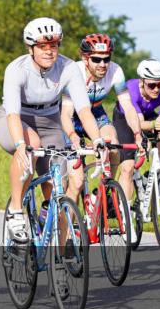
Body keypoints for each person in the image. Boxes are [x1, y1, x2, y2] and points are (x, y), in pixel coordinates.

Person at [0, 17, 105, 298]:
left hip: (50, 119)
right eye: (43, 45)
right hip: (14, 119)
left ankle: (58, 257)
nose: (49, 50)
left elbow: (84, 110)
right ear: (31, 47)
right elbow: (14, 115)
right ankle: (18, 213)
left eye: (53, 44)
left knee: (57, 189)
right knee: (30, 146)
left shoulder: (68, 68)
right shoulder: (16, 70)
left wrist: (99, 139)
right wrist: (20, 145)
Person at [61, 34, 144, 228]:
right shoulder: (74, 72)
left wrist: (138, 135)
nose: (103, 64)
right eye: (97, 59)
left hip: (96, 112)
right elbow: (65, 113)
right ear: (85, 58)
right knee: (76, 182)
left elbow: (128, 106)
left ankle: (101, 193)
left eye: (106, 58)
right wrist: (73, 136)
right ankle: (65, 234)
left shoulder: (116, 71)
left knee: (112, 145)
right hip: (72, 116)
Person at [113, 59, 160, 201]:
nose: (156, 89)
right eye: (152, 85)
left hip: (147, 116)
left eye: (159, 84)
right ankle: (126, 213)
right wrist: (155, 124)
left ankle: (158, 174)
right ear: (142, 81)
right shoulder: (131, 90)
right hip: (125, 119)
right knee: (128, 167)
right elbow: (139, 123)